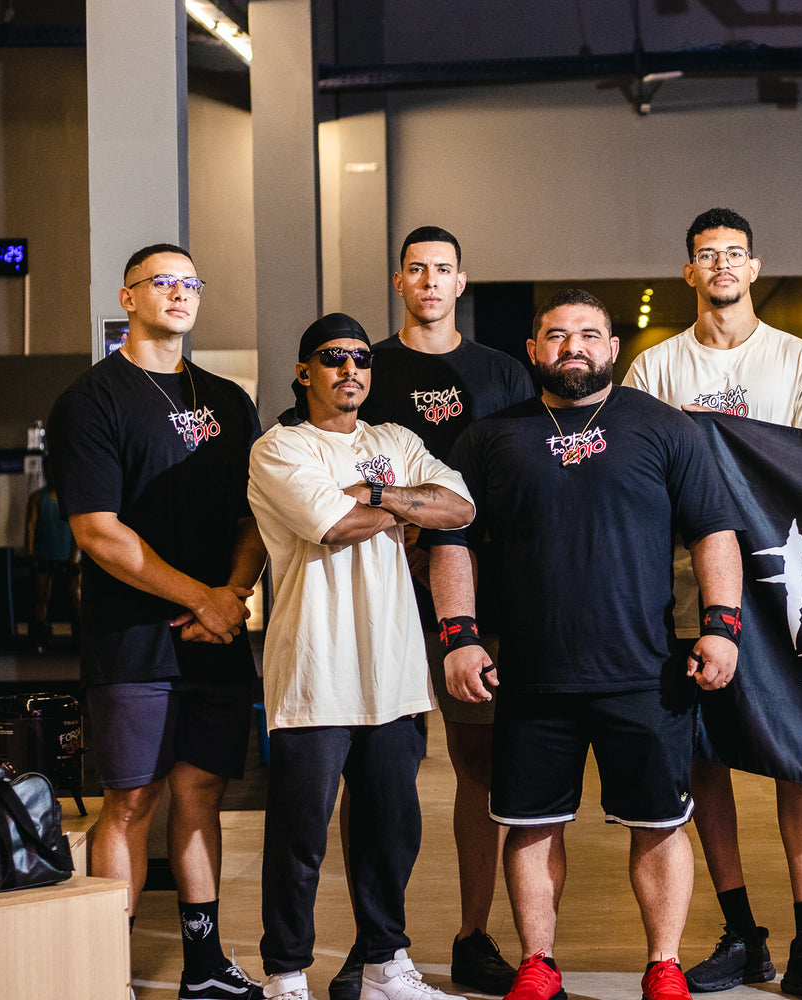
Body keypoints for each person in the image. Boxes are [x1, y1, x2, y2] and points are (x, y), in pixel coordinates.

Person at [435, 288, 743, 1000]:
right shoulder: (488, 438)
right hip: (531, 675)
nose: (572, 346)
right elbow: (453, 541)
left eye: (588, 334)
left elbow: (713, 532)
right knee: (532, 825)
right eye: (556, 334)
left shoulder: (665, 428)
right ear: (532, 350)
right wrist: (460, 637)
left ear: (613, 348)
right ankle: (538, 963)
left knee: (660, 825)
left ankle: (664, 964)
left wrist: (722, 626)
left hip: (645, 671)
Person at [623, 207, 802, 1000]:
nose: (721, 264)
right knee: (705, 760)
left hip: (787, 596)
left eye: (734, 253)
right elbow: (632, 475)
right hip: (686, 594)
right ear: (689, 272)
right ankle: (741, 933)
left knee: (797, 759)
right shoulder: (655, 369)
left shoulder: (798, 361)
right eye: (706, 254)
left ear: (754, 268)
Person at [46, 243, 267, 1000]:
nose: (178, 293)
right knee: (132, 800)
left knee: (202, 794)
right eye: (161, 282)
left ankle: (203, 967)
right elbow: (98, 532)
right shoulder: (92, 400)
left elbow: (253, 517)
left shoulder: (229, 400)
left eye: (189, 283)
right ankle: (106, 972)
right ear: (129, 297)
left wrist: (232, 594)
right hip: (134, 640)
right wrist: (201, 598)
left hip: (217, 635)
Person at [247, 313, 477, 1000]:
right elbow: (334, 525)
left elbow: (460, 507)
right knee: (300, 838)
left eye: (360, 358)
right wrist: (407, 508)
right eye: (333, 357)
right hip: (314, 673)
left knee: (390, 832)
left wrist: (376, 493)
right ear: (303, 371)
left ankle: (383, 965)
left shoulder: (394, 439)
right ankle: (286, 975)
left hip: (394, 672)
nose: (351, 369)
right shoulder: (280, 448)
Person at [330, 226, 531, 1000]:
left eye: (443, 269)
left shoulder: (501, 372)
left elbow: (515, 476)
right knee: (378, 768)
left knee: (479, 764)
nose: (430, 281)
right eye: (417, 269)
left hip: (480, 596)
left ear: (461, 281)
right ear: (400, 281)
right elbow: (339, 469)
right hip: (383, 592)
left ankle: (474, 935)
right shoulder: (366, 368)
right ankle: (374, 942)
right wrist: (406, 531)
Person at [24, 483, 80, 652]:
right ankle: (39, 640)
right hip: (45, 555)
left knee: (76, 598)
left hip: (68, 555)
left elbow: (80, 527)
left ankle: (80, 639)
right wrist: (30, 553)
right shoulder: (37, 498)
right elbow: (30, 526)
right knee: (41, 597)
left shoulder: (73, 496)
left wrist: (74, 555)